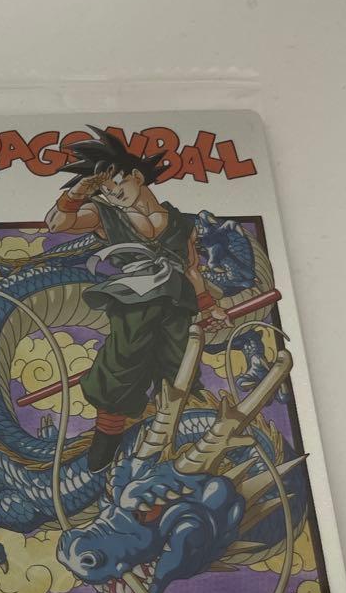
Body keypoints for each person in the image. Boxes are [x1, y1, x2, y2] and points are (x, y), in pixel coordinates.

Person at [46, 127, 228, 471]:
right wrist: (78, 192)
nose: (114, 194)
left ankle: (181, 437)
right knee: (122, 365)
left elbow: (191, 268)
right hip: (135, 301)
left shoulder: (179, 222)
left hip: (177, 303)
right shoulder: (105, 215)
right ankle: (107, 440)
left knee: (179, 366)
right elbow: (58, 223)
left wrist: (209, 306)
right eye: (105, 191)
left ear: (137, 176)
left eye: (117, 184)